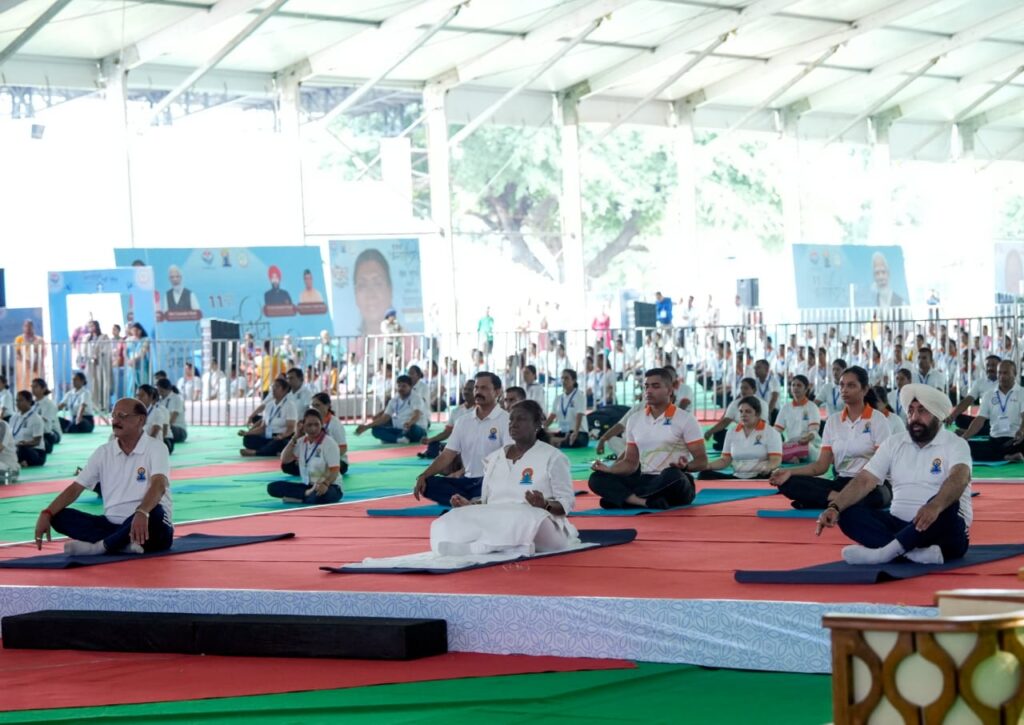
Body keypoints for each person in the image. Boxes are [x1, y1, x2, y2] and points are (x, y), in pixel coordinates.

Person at [817, 384, 971, 566]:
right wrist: (835, 507)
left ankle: (884, 553)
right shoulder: (894, 443)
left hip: (939, 528)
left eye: (922, 411)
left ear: (938, 414)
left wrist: (935, 506)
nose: (914, 417)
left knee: (949, 505)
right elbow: (865, 480)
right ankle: (911, 554)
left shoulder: (955, 444)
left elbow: (959, 478)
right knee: (848, 512)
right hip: (898, 525)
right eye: (911, 411)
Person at [430, 400, 577, 556]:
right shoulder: (495, 458)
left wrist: (545, 504)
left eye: (521, 419)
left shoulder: (554, 457)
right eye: (511, 420)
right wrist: (470, 505)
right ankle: (509, 547)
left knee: (521, 515)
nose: (513, 424)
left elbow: (566, 504)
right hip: (499, 519)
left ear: (537, 424)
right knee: (453, 516)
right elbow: (488, 502)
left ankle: (479, 547)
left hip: (540, 526)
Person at [33, 397, 173, 556]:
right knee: (58, 516)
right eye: (114, 416)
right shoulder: (103, 452)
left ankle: (101, 547)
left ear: (140, 420)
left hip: (147, 522)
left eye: (122, 415)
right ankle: (122, 544)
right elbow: (76, 488)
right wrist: (46, 513)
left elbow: (159, 485)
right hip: (111, 524)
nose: (116, 421)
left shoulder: (156, 448)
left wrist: (142, 512)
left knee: (156, 512)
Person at [769, 366, 891, 510]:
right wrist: (789, 472)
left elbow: (882, 466)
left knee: (878, 497)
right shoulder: (833, 421)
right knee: (787, 482)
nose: (844, 390)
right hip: (841, 482)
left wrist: (859, 486)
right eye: (842, 385)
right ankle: (842, 501)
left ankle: (825, 500)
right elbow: (821, 466)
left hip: (869, 484)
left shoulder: (878, 419)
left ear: (864, 389)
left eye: (851, 385)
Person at [588, 368, 706, 509]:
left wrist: (686, 466)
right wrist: (610, 470)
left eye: (655, 386)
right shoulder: (635, 419)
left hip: (673, 480)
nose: (649, 391)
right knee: (596, 478)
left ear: (669, 391)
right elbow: (630, 463)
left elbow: (702, 461)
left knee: (673, 475)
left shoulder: (686, 419)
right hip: (645, 479)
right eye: (646, 386)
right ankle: (643, 502)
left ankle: (625, 498)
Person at [414, 372, 511, 506]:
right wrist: (424, 475)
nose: (478, 392)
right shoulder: (463, 421)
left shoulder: (506, 420)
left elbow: (509, 456)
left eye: (484, 388)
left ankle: (469, 503)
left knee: (500, 488)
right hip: (466, 481)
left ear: (497, 392)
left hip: (491, 481)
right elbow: (447, 454)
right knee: (428, 484)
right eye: (476, 388)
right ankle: (471, 503)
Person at [268, 408, 342, 505]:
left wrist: (325, 484)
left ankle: (300, 498)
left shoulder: (329, 443)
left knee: (319, 496)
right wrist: (295, 436)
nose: (313, 428)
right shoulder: (301, 442)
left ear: (321, 424)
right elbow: (285, 459)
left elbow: (335, 471)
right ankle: (306, 494)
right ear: (302, 425)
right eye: (309, 425)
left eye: (316, 424)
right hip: (308, 486)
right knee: (272, 487)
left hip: (329, 486)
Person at [699, 397, 782, 480]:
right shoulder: (731, 432)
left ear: (757, 413)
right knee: (704, 474)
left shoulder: (771, 432)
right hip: (737, 477)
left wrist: (768, 467)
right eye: (741, 411)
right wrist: (708, 466)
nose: (743, 415)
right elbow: (725, 460)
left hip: (761, 476)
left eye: (748, 411)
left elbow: (775, 460)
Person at [958, 360, 1024, 462]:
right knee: (966, 446)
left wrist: (1021, 431)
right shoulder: (988, 395)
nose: (1002, 376)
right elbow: (980, 420)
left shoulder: (1022, 392)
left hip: (1015, 438)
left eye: (1005, 373)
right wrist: (965, 437)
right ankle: (1007, 456)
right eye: (999, 373)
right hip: (995, 439)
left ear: (1015, 374)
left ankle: (1002, 455)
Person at [355, 374, 428, 444]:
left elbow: (417, 414)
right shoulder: (394, 400)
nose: (400, 389)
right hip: (400, 430)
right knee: (375, 430)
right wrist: (366, 427)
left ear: (411, 387)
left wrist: (410, 423)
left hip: (415, 429)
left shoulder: (416, 398)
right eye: (399, 386)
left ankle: (393, 438)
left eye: (404, 386)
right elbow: (384, 418)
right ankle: (399, 439)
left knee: (412, 428)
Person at [703, 377, 768, 452]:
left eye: (746, 388)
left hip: (758, 433)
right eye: (741, 388)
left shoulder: (762, 404)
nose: (743, 391)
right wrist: (710, 431)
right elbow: (725, 421)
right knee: (718, 432)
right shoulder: (735, 403)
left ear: (754, 390)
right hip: (741, 433)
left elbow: (762, 423)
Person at [418, 379, 476, 460]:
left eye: (470, 390)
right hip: (456, 445)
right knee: (434, 443)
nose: (466, 392)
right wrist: (430, 439)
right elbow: (447, 432)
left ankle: (440, 452)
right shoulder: (456, 411)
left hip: (474, 444)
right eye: (465, 389)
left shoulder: (480, 410)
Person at [240, 377, 297, 457]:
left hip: (282, 436)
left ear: (285, 390)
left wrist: (282, 436)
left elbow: (291, 428)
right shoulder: (269, 405)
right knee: (248, 439)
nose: (273, 389)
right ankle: (270, 450)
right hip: (268, 436)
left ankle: (256, 452)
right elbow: (263, 428)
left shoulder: (290, 405)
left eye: (277, 386)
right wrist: (247, 433)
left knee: (279, 443)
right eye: (273, 386)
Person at [773, 375, 820, 463]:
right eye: (793, 385)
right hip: (791, 445)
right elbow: (776, 431)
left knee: (808, 449)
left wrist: (806, 439)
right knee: (772, 451)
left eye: (799, 385)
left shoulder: (812, 407)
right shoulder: (786, 408)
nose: (795, 388)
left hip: (808, 444)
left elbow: (813, 432)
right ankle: (791, 457)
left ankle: (790, 457)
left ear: (806, 389)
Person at [948, 354, 999, 434]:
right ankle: (975, 430)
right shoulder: (980, 382)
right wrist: (953, 415)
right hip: (982, 419)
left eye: (993, 365)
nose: (990, 368)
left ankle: (970, 431)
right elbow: (968, 400)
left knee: (998, 423)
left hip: (998, 419)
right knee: (959, 419)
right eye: (988, 365)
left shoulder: (1005, 382)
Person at [353, 248, 394, 337]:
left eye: (378, 284)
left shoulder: (408, 342)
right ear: (355, 295)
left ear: (390, 291)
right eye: (363, 285)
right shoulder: (352, 345)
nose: (370, 294)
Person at [546, 369, 588, 449]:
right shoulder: (558, 398)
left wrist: (575, 432)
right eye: (562, 378)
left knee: (574, 440)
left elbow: (579, 415)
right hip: (563, 432)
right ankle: (560, 441)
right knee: (542, 438)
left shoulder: (580, 396)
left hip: (579, 433)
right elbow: (552, 416)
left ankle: (558, 442)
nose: (563, 381)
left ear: (574, 380)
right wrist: (542, 428)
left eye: (566, 378)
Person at [10, 391, 46, 467]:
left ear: (29, 402)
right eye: (17, 400)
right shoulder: (13, 417)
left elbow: (37, 442)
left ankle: (18, 461)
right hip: (16, 448)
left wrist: (25, 443)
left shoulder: (36, 418)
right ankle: (19, 462)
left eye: (21, 400)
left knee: (21, 448)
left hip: (35, 452)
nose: (18, 403)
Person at [83, 320, 111, 413]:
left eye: (92, 326)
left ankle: (104, 405)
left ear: (97, 326)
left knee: (103, 383)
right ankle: (94, 405)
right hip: (91, 365)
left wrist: (98, 356)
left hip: (101, 364)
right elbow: (85, 350)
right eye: (89, 326)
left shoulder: (104, 337)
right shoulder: (87, 338)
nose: (91, 328)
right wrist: (89, 357)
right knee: (93, 384)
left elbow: (106, 350)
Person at [137, 384, 173, 453]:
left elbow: (154, 433)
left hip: (152, 447)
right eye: (138, 395)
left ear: (150, 397)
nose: (139, 398)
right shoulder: (137, 412)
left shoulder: (158, 412)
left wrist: (142, 446)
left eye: (142, 395)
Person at [14, 319, 46, 393]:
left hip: (36, 367)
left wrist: (34, 363)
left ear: (33, 327)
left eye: (30, 326)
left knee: (36, 385)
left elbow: (42, 353)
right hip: (23, 368)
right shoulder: (19, 339)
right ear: (23, 327)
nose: (28, 328)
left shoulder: (39, 339)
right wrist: (26, 363)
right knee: (23, 387)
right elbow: (18, 353)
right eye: (26, 326)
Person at [30, 379, 60, 453]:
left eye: (35, 387)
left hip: (50, 432)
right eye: (32, 387)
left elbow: (44, 422)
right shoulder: (32, 404)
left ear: (43, 389)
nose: (33, 389)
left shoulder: (49, 404)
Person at [156, 378, 187, 444]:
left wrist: (161, 427)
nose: (158, 392)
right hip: (165, 427)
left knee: (158, 430)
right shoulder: (160, 400)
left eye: (159, 390)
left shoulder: (177, 398)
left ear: (164, 389)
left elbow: (173, 419)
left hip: (178, 429)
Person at [124, 323, 151, 394]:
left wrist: (134, 360)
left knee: (143, 385)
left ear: (141, 330)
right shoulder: (128, 340)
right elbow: (125, 352)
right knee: (131, 387)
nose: (135, 332)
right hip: (131, 367)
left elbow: (143, 352)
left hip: (141, 365)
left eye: (137, 330)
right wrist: (128, 361)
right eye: (133, 330)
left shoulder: (146, 339)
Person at [752, 358, 780, 424]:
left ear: (766, 369)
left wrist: (768, 413)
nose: (755, 370)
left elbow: (774, 398)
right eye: (755, 368)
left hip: (772, 411)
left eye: (758, 367)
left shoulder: (773, 381)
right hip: (759, 411)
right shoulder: (755, 382)